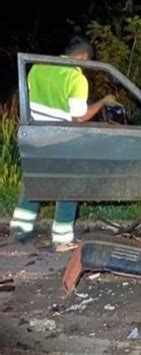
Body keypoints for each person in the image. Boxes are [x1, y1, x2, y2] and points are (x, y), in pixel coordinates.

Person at [10, 36, 121, 250]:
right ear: (83, 57)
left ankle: (20, 230)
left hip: (34, 135)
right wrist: (103, 102)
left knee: (35, 181)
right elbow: (79, 116)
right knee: (68, 187)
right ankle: (61, 239)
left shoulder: (38, 67)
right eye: (87, 62)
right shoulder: (75, 78)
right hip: (60, 139)